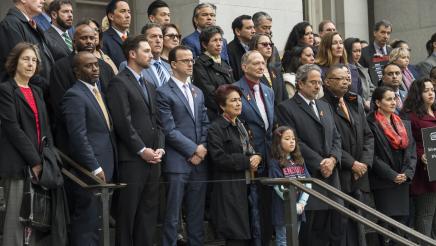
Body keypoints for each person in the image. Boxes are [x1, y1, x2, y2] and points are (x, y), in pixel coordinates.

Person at [0, 42, 67, 246]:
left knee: (35, 221)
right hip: (19, 165)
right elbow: (13, 129)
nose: (30, 64)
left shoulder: (36, 91)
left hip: (40, 164)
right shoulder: (5, 90)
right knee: (15, 221)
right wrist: (35, 161)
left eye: (34, 60)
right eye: (25, 59)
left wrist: (46, 160)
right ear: (15, 62)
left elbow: (44, 128)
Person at [107, 35, 164, 246]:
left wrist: (160, 148)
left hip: (153, 159)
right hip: (132, 160)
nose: (152, 54)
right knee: (128, 215)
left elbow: (157, 121)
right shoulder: (119, 82)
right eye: (146, 51)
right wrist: (142, 149)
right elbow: (123, 123)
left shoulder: (149, 84)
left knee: (148, 215)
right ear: (132, 54)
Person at [276, 64, 343, 246]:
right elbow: (295, 141)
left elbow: (336, 137)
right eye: (313, 82)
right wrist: (321, 162)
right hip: (310, 176)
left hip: (332, 177)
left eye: (319, 82)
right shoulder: (286, 108)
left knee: (336, 230)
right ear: (300, 84)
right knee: (314, 234)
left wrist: (333, 159)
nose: (317, 86)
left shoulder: (325, 106)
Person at [61, 51, 116, 246]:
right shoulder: (74, 95)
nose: (95, 69)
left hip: (107, 165)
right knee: (87, 221)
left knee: (98, 221)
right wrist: (94, 166)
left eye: (96, 65)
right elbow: (78, 136)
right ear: (77, 72)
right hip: (90, 171)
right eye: (88, 66)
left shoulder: (97, 92)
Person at [157, 45, 209, 246]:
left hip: (199, 161)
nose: (190, 64)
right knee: (172, 215)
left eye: (191, 60)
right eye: (185, 60)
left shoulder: (197, 91)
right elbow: (168, 130)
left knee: (196, 215)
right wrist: (193, 149)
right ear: (173, 64)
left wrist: (202, 148)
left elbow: (205, 123)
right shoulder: (163, 92)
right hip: (177, 162)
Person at [322, 64, 375, 246]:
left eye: (347, 78)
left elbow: (368, 135)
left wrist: (364, 164)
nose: (345, 82)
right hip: (342, 172)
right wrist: (352, 164)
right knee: (341, 225)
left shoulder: (354, 101)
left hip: (360, 173)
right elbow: (331, 142)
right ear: (327, 82)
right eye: (340, 79)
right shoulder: (323, 105)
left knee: (359, 224)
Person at [207, 84, 262, 246]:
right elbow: (219, 158)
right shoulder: (216, 128)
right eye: (233, 101)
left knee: (252, 233)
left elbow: (252, 150)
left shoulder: (242, 124)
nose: (238, 104)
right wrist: (247, 161)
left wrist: (258, 157)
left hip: (248, 185)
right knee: (235, 236)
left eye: (239, 100)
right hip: (228, 189)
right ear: (222, 105)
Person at [49, 24, 115, 153]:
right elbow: (59, 106)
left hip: (106, 141)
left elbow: (112, 103)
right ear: (74, 42)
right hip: (75, 141)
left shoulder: (105, 68)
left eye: (92, 38)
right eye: (84, 38)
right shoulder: (60, 67)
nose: (89, 41)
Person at [234, 51, 275, 246]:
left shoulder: (268, 90)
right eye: (256, 63)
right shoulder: (235, 90)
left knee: (267, 208)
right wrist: (251, 153)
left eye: (263, 63)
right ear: (244, 67)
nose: (261, 66)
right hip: (248, 159)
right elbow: (237, 126)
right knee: (253, 209)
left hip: (269, 158)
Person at [367, 86, 416, 245]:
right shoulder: (370, 122)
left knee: (401, 224)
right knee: (386, 224)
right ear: (378, 102)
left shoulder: (403, 122)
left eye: (394, 98)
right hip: (384, 181)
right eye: (389, 99)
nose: (393, 102)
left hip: (402, 181)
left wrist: (407, 173)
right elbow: (371, 155)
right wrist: (391, 175)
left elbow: (412, 152)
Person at [401, 78, 436, 238]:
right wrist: (421, 155)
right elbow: (407, 143)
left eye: (432, 89)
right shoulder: (410, 116)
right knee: (425, 214)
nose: (431, 93)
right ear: (417, 94)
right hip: (424, 173)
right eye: (426, 90)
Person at [269, 126, 311, 245]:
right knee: (283, 241)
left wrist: (302, 202)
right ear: (278, 142)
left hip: (299, 208)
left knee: (294, 239)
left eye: (293, 138)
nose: (292, 141)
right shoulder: (275, 162)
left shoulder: (299, 160)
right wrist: (292, 204)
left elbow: (308, 182)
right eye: (287, 139)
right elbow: (278, 187)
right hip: (283, 209)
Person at [0, 0, 54, 86]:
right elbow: (20, 67)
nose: (43, 1)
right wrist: (48, 87)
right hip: (28, 93)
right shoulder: (11, 24)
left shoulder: (33, 25)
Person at [193, 26, 234, 121]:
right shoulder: (199, 64)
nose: (219, 44)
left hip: (230, 111)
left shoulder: (224, 62)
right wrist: (227, 107)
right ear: (204, 44)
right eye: (214, 40)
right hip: (214, 114)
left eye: (220, 40)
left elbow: (233, 85)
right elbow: (208, 92)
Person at [316, 32, 362, 97]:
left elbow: (359, 95)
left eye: (341, 43)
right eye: (334, 43)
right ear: (326, 47)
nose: (339, 46)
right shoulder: (318, 70)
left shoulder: (352, 69)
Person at [249, 33, 288, 106]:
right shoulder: (250, 71)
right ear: (255, 47)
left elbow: (284, 96)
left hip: (280, 114)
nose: (269, 47)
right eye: (264, 44)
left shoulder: (276, 70)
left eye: (271, 44)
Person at [344, 37, 375, 110]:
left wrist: (369, 101)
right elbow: (349, 94)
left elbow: (372, 88)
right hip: (352, 108)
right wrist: (364, 103)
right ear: (347, 51)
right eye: (355, 51)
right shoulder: (343, 69)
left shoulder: (362, 68)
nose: (358, 54)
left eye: (360, 51)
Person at [360, 20, 393, 85]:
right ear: (375, 33)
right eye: (383, 32)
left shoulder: (393, 52)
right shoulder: (363, 53)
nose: (386, 36)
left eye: (388, 33)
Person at [102, 0, 131, 68]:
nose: (128, 16)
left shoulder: (134, 39)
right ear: (111, 16)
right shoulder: (103, 39)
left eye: (129, 12)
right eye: (123, 11)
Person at [228, 15, 256, 80]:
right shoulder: (229, 50)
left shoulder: (256, 46)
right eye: (249, 28)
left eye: (253, 27)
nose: (253, 31)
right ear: (238, 31)